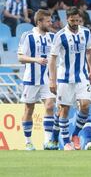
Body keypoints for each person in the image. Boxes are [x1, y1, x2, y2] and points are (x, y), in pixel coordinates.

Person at [49, 7, 91, 150]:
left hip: (82, 77)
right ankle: (65, 142)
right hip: (64, 78)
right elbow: (52, 59)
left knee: (86, 105)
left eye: (77, 20)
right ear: (67, 19)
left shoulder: (86, 33)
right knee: (64, 109)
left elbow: (89, 52)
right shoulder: (60, 35)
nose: (75, 23)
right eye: (72, 20)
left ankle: (75, 134)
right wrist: (52, 80)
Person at [17, 9, 56, 150]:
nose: (50, 23)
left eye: (51, 20)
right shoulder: (27, 36)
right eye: (48, 21)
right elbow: (20, 57)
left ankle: (47, 142)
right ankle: (28, 142)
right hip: (31, 79)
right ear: (39, 22)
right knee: (29, 109)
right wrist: (36, 60)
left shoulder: (52, 37)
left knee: (50, 106)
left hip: (47, 79)